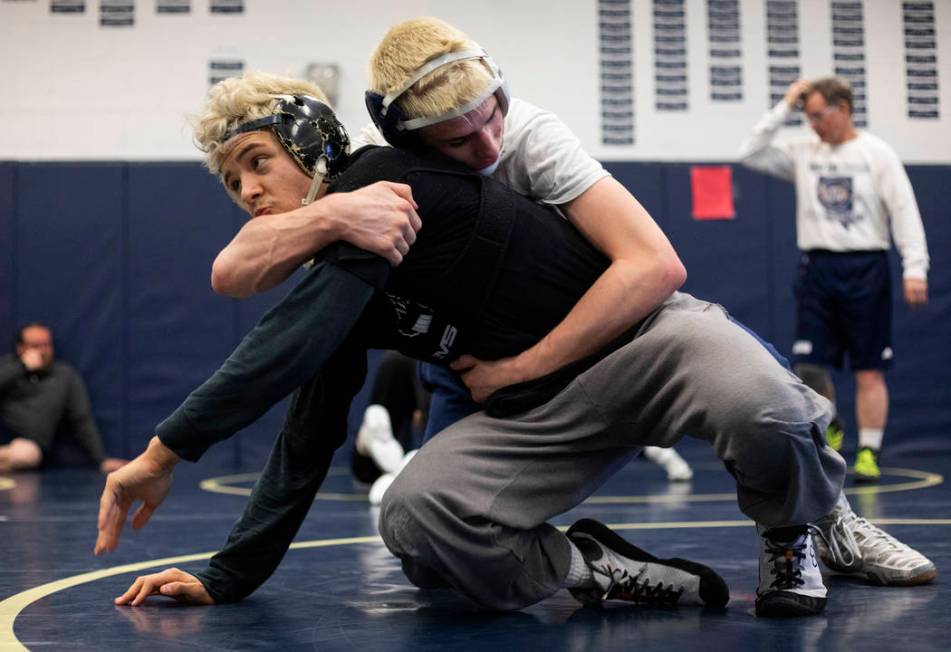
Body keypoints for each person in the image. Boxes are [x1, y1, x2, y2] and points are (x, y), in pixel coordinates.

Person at [96, 71, 889, 620]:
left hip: (641, 339)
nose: (248, 194)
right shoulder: (340, 246)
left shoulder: (385, 189)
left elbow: (275, 346)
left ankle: (802, 531)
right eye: (232, 184)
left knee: (766, 405)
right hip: (534, 407)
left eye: (257, 164)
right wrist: (227, 578)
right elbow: (307, 431)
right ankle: (594, 568)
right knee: (414, 525)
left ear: (311, 145)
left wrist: (161, 455)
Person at [212, 17, 694, 484]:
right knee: (423, 520)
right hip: (463, 360)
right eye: (459, 138)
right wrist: (332, 214)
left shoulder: (529, 133)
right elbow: (231, 272)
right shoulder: (380, 161)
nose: (488, 146)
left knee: (746, 399)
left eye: (492, 116)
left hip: (574, 329)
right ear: (409, 139)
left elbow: (655, 263)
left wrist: (522, 368)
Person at [739, 77, 930, 482]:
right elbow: (751, 152)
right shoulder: (804, 151)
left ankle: (868, 453)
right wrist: (786, 105)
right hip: (819, 268)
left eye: (819, 115)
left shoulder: (875, 153)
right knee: (809, 365)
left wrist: (916, 266)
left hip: (866, 267)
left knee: (869, 368)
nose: (813, 125)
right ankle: (832, 426)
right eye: (807, 117)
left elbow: (903, 209)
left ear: (843, 109)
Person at [1, 323, 127, 474]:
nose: (41, 351)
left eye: (46, 345)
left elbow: (81, 419)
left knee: (27, 454)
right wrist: (21, 367)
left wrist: (101, 460)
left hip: (25, 449)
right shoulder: (7, 367)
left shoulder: (65, 376)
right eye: (34, 346)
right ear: (21, 348)